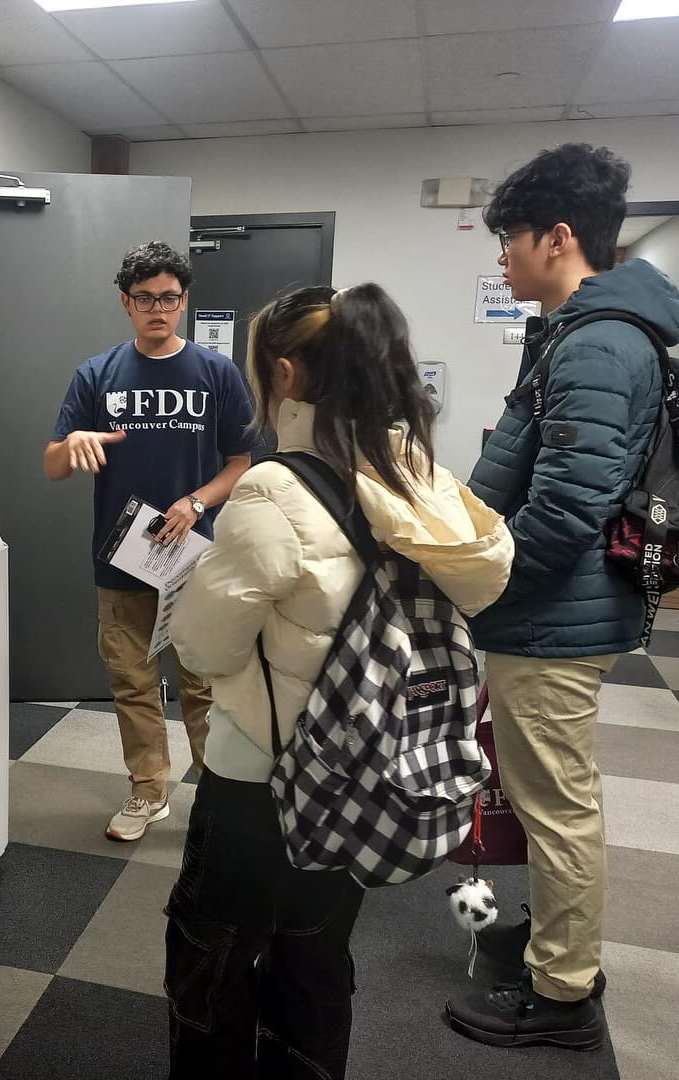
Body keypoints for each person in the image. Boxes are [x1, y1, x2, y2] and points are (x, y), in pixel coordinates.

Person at [167, 284, 513, 1077]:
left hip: (261, 769)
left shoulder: (272, 490)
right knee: (317, 953)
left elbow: (204, 647)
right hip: (369, 766)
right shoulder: (421, 475)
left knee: (214, 949)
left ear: (286, 375)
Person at [445, 144, 679, 1051]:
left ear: (557, 238)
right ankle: (558, 944)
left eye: (509, 238)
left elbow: (565, 511)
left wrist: (477, 581)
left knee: (556, 806)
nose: (502, 256)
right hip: (551, 613)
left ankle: (562, 993)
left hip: (552, 619)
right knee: (548, 792)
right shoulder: (581, 333)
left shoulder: (598, 343)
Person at [45, 241, 258, 842]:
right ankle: (148, 791)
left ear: (184, 301)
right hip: (121, 561)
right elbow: (53, 465)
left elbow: (241, 462)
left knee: (203, 686)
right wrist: (72, 444)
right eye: (145, 299)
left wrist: (197, 502)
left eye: (168, 298)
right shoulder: (97, 374)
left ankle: (217, 800)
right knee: (132, 684)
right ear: (126, 303)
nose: (157, 309)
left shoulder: (216, 373)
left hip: (195, 561)